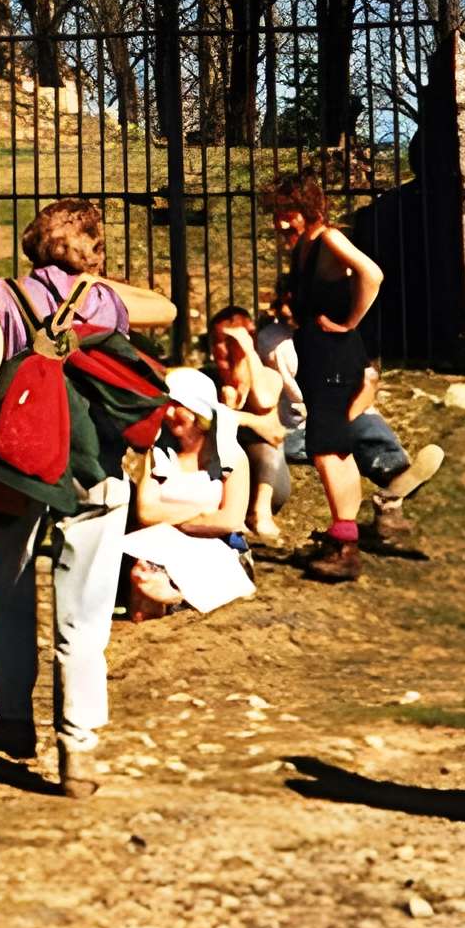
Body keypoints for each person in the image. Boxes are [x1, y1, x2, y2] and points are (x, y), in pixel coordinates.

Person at [0, 196, 177, 798]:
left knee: (9, 589)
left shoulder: (4, 295)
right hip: (92, 463)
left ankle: (13, 719)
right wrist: (94, 278)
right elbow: (169, 308)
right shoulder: (107, 301)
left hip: (16, 463)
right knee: (86, 611)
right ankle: (78, 748)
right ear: (94, 251)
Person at [272, 173, 389, 584]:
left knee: (327, 450)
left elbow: (372, 275)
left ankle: (346, 549)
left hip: (336, 355)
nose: (281, 221)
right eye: (277, 213)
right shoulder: (305, 246)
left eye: (289, 212)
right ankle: (343, 535)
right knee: (335, 446)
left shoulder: (329, 239)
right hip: (321, 356)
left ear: (309, 208)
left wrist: (350, 322)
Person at [118, 366, 256, 617]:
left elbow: (230, 520)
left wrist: (171, 519)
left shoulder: (232, 458)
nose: (169, 413)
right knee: (143, 579)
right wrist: (204, 513)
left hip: (215, 546)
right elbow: (146, 512)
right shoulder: (158, 454)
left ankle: (177, 597)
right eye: (166, 405)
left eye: (178, 406)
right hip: (159, 544)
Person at [205, 305, 296, 542]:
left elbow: (271, 423)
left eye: (233, 341)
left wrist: (248, 351)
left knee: (267, 441)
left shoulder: (269, 376)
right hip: (219, 480)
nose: (226, 349)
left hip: (264, 482)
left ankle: (260, 514)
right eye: (220, 341)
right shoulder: (206, 380)